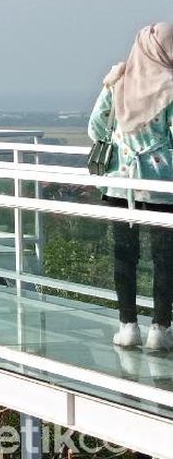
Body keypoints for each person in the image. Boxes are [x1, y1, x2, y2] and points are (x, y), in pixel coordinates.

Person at [88, 22, 173, 350]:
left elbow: (97, 125)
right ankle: (160, 329)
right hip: (162, 185)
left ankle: (128, 327)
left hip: (120, 184)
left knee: (124, 256)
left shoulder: (119, 80)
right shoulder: (170, 87)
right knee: (165, 259)